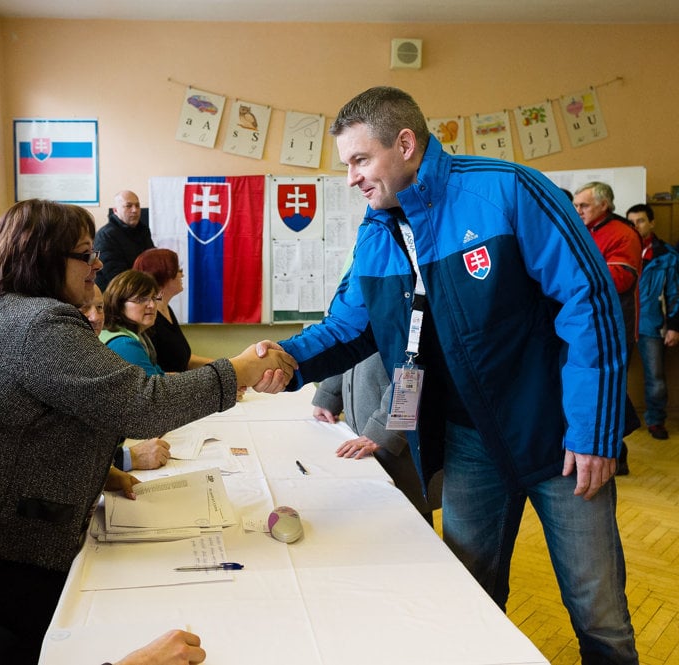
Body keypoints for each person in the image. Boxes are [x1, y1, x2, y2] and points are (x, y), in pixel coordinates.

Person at [254, 87, 637, 663]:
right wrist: (286, 358)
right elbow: (353, 325)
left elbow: (591, 305)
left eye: (360, 160)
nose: (352, 177)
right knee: (469, 595)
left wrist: (594, 431)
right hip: (469, 446)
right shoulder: (377, 230)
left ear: (405, 144)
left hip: (558, 437)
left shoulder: (506, 190)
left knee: (597, 613)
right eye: (347, 165)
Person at [0, 198, 296, 663]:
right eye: (85, 255)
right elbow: (142, 405)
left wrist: (100, 472)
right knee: (96, 626)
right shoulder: (40, 325)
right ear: (44, 259)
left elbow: (36, 421)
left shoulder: (12, 314)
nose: (98, 263)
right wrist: (239, 370)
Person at [312, 353, 439, 524]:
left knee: (411, 522)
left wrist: (382, 428)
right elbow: (347, 344)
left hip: (399, 436)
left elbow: (415, 362)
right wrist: (330, 393)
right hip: (364, 430)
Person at [574, 181, 642, 475]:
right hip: (591, 326)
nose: (578, 210)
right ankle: (612, 451)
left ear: (604, 204)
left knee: (609, 393)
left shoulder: (622, 233)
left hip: (616, 328)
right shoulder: (588, 230)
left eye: (584, 205)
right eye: (576, 205)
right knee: (598, 391)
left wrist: (574, 278)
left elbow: (620, 280)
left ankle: (616, 455)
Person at [77, 284, 171, 471]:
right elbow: (155, 403)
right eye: (141, 299)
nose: (95, 316)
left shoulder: (133, 338)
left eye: (99, 307)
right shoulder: (124, 343)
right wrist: (129, 457)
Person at [627, 203, 679, 440]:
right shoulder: (622, 249)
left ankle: (656, 420)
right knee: (614, 375)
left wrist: (674, 326)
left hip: (652, 324)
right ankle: (620, 421)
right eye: (631, 222)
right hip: (624, 324)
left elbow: (674, 294)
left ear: (652, 222)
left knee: (655, 377)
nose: (636, 226)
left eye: (640, 221)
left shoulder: (667, 256)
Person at [133, 248, 213, 372]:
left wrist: (224, 365)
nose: (182, 274)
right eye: (178, 270)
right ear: (163, 275)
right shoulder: (149, 318)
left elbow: (183, 359)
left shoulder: (166, 309)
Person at [100, 269, 166, 376]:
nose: (152, 305)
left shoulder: (137, 335)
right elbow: (155, 390)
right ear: (119, 304)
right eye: (141, 299)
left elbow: (161, 377)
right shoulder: (124, 344)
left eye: (153, 298)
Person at [94, 190, 155, 289]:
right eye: (128, 206)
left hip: (141, 289)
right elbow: (117, 277)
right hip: (116, 295)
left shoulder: (143, 231)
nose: (135, 210)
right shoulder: (106, 236)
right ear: (115, 210)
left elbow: (152, 260)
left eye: (137, 205)